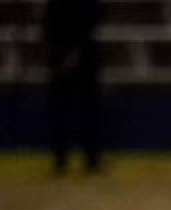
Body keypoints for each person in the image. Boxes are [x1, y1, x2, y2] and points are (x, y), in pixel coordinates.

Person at [44, 0, 102, 175]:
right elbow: (48, 27)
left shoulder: (85, 6)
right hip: (61, 61)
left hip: (85, 62)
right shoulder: (56, 5)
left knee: (88, 113)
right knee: (61, 113)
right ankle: (61, 160)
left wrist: (76, 53)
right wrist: (60, 56)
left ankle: (91, 159)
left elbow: (93, 20)